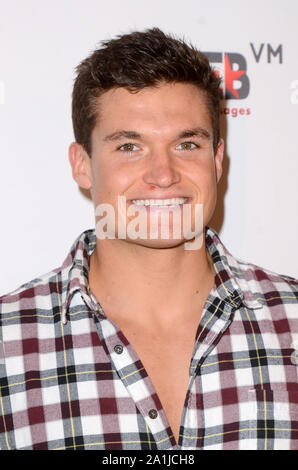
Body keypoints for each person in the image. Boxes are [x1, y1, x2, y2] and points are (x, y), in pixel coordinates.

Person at [0, 28, 297, 451]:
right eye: (129, 147)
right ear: (82, 165)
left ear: (217, 160)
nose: (163, 174)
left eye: (187, 143)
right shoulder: (9, 343)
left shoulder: (291, 320)